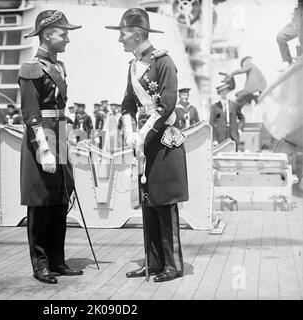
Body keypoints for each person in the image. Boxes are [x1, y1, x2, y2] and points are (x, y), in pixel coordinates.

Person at [106, 8, 188, 282]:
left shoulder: (163, 62)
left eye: (123, 34)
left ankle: (173, 265)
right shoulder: (132, 66)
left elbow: (167, 105)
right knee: (148, 202)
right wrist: (130, 131)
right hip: (143, 142)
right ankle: (153, 262)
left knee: (164, 203)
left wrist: (143, 133)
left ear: (137, 34)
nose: (120, 40)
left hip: (163, 141)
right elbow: (128, 104)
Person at [18, 9, 83, 285]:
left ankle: (58, 260)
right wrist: (43, 149)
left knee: (59, 201)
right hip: (41, 138)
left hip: (60, 135)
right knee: (40, 203)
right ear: (47, 34)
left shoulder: (58, 66)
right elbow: (31, 114)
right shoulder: (31, 67)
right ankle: (41, 264)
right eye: (63, 32)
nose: (67, 38)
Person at [209, 83, 245, 149]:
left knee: (233, 155)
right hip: (221, 136)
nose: (224, 93)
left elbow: (241, 118)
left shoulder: (234, 105)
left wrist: (240, 129)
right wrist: (214, 139)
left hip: (233, 135)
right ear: (219, 93)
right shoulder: (215, 107)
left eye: (226, 91)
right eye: (222, 92)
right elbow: (211, 124)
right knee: (222, 154)